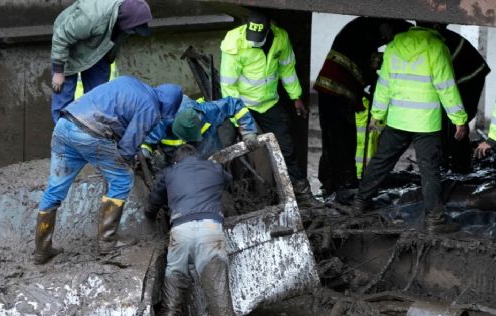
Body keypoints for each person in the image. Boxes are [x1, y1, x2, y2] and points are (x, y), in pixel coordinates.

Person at [35, 76, 183, 262]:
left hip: (65, 125)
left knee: (54, 189)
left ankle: (41, 250)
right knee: (122, 178)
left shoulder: (131, 82)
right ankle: (108, 241)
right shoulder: (151, 107)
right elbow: (128, 148)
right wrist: (126, 162)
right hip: (90, 134)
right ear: (169, 106)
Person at [352, 23, 468, 234]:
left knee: (381, 161)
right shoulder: (436, 47)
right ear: (434, 24)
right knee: (429, 170)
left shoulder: (395, 45)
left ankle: (360, 202)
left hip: (398, 119)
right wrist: (459, 119)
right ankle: (435, 219)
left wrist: (377, 115)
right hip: (426, 123)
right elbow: (446, 86)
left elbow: (384, 84)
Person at [144, 145, 253, 316]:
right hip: (210, 229)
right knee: (217, 288)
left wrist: (151, 213)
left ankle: (169, 314)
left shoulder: (170, 172)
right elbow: (228, 181)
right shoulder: (213, 168)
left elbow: (153, 203)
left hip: (180, 228)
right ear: (197, 156)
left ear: (176, 161)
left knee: (175, 270)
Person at [220, 12, 315, 206]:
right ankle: (225, 196)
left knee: (286, 148)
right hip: (241, 104)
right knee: (229, 147)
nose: (254, 43)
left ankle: (302, 194)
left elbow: (287, 69)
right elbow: (228, 88)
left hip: (269, 103)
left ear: (269, 29)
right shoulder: (234, 43)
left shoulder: (281, 38)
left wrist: (295, 97)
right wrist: (241, 120)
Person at [314, 17, 411, 196]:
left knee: (337, 138)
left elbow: (367, 64)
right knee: (340, 138)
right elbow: (370, 64)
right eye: (391, 37)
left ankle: (336, 180)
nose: (389, 42)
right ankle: (342, 183)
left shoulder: (363, 27)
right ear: (387, 27)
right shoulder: (366, 31)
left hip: (337, 91)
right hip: (336, 90)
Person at [50, 0, 152, 122]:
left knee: (99, 99)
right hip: (69, 48)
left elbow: (116, 39)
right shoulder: (91, 18)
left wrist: (108, 58)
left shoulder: (124, 16)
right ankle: (63, 136)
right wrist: (58, 71)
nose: (132, 33)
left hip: (98, 48)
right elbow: (61, 37)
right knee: (63, 100)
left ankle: (92, 134)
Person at [140, 95, 259, 165]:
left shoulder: (207, 111)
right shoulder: (160, 122)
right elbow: (145, 139)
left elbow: (236, 105)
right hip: (178, 163)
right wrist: (145, 150)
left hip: (212, 157)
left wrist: (248, 132)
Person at [435, 25, 490, 173]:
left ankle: (459, 166)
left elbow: (446, 86)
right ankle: (453, 162)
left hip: (470, 77)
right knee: (450, 123)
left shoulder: (438, 41)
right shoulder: (434, 38)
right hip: (463, 76)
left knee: (455, 125)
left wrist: (459, 120)